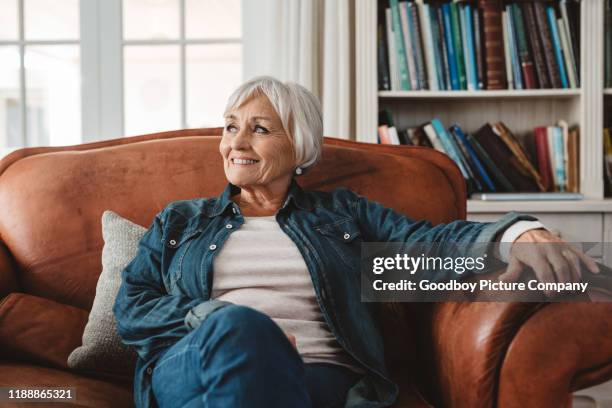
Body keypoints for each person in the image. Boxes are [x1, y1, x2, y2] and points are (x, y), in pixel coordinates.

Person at [113, 76, 599, 408]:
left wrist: (517, 232)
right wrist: (215, 316)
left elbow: (425, 244)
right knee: (242, 330)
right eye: (230, 127)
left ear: (299, 145)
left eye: (259, 130)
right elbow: (132, 307)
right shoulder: (182, 221)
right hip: (197, 360)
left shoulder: (341, 215)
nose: (236, 142)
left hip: (319, 372)